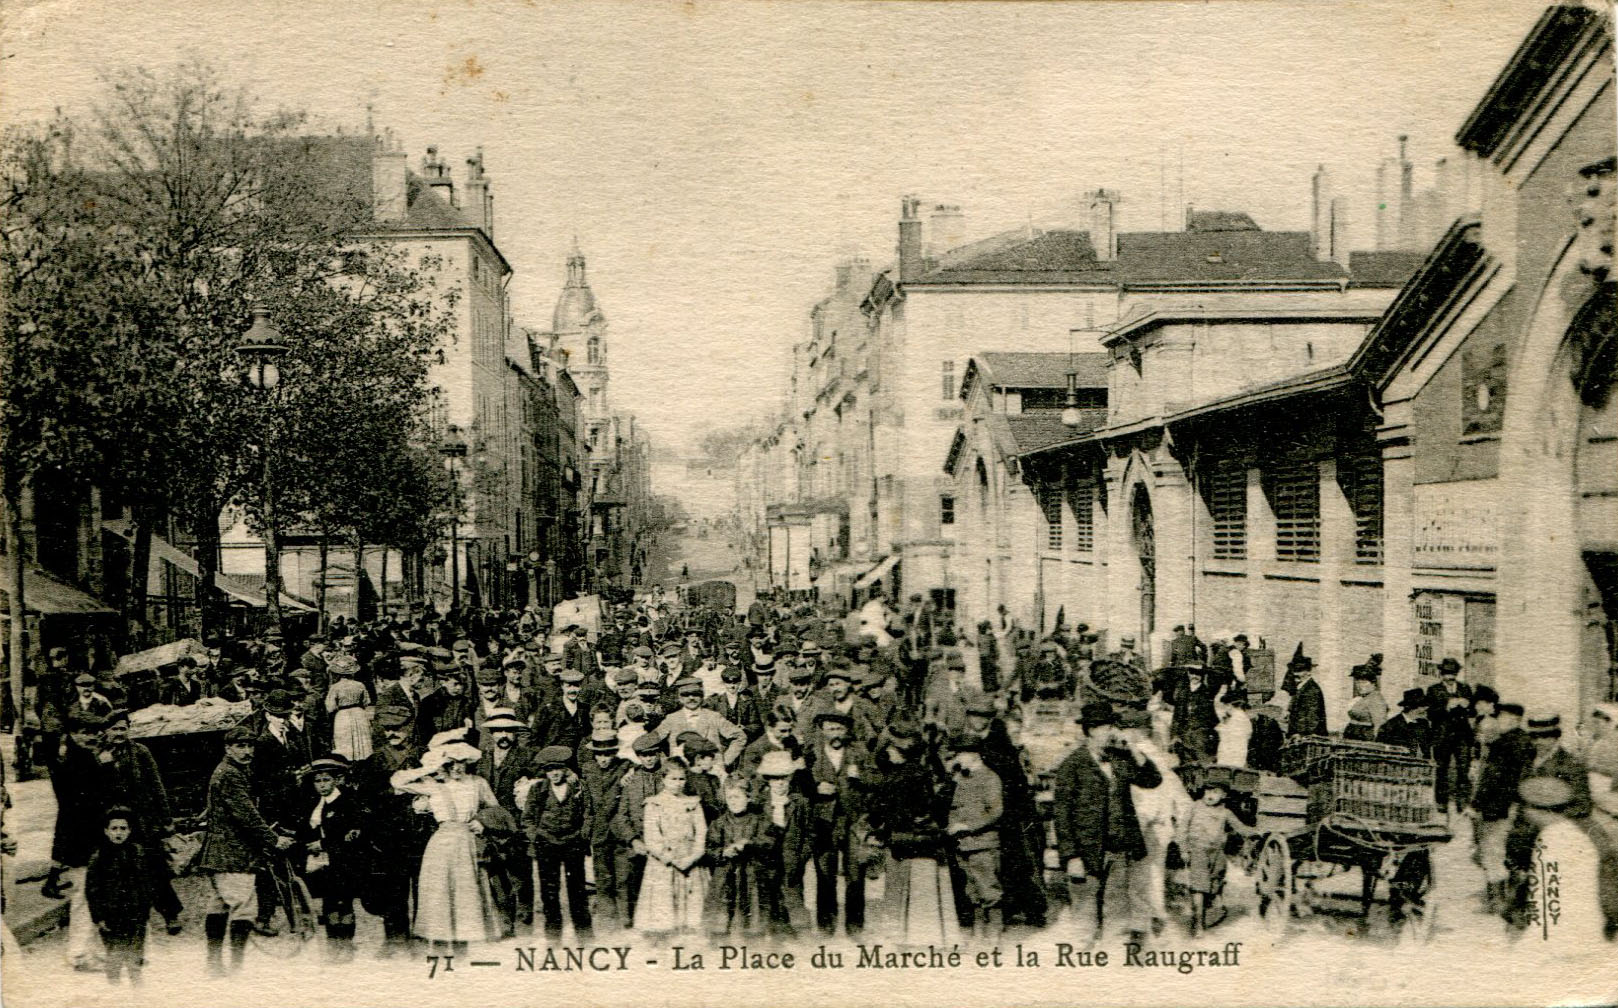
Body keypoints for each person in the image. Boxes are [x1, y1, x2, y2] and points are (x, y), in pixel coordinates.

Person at [1051, 701, 1163, 944]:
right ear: (1091, 730)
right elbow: (1061, 815)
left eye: (1113, 726)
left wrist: (1134, 749)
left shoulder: (1119, 759)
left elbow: (1153, 780)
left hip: (1118, 849)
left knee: (1116, 913)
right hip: (1086, 852)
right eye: (1105, 727)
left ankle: (1110, 964)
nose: (1112, 732)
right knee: (1085, 914)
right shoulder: (1071, 766)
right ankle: (1083, 960)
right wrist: (1071, 857)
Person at [196, 725, 296, 976]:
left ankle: (214, 964)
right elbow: (246, 815)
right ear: (228, 748)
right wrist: (274, 840)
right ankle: (235, 968)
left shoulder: (235, 771)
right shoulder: (229, 774)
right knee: (245, 907)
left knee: (219, 905)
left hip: (223, 852)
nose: (246, 751)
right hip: (233, 853)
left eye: (250, 745)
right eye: (240, 746)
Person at [389, 736, 502, 954]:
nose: (456, 768)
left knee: (465, 896)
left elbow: (496, 810)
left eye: (461, 762)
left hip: (467, 843)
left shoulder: (478, 783)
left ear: (468, 762)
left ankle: (462, 952)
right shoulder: (433, 785)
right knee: (440, 895)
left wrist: (482, 822)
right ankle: (439, 950)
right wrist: (428, 767)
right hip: (441, 845)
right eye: (451, 763)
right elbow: (397, 781)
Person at [97, 710, 183, 935]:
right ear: (106, 731)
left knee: (156, 868)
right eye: (115, 729)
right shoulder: (98, 755)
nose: (119, 733)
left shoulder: (140, 752)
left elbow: (157, 787)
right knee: (119, 871)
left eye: (123, 729)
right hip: (114, 825)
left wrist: (166, 821)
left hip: (144, 823)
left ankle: (170, 914)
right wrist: (104, 765)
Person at [1516, 776, 1608, 946]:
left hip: (1565, 938)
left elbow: (1547, 895)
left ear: (1535, 809)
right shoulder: (1572, 831)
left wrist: (1532, 939)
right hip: (1585, 930)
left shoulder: (1551, 839)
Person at [806, 710, 874, 937]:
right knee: (825, 875)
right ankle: (826, 926)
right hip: (823, 823)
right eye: (830, 729)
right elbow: (798, 788)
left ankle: (855, 927)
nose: (835, 734)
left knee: (856, 876)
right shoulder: (811, 756)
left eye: (840, 729)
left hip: (854, 822)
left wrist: (861, 777)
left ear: (847, 732)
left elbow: (877, 784)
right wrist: (815, 790)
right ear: (822, 731)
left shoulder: (860, 754)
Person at [475, 712, 541, 933]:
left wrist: (531, 783)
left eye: (509, 731)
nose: (504, 736)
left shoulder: (526, 757)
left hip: (515, 826)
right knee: (496, 876)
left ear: (516, 733)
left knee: (520, 875)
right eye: (499, 731)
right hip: (489, 827)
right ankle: (505, 921)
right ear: (492, 734)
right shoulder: (482, 759)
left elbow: (540, 784)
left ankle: (524, 921)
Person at [300, 754, 366, 962]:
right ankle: (332, 944)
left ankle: (346, 943)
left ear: (336, 780)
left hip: (344, 862)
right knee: (328, 903)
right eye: (317, 781)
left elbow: (352, 835)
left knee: (344, 902)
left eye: (326, 779)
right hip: (321, 862)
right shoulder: (314, 803)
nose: (321, 785)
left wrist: (323, 844)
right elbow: (305, 829)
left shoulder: (347, 802)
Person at [524, 745, 594, 941]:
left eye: (557, 768)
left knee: (577, 890)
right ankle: (553, 935)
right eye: (549, 769)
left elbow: (588, 813)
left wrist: (583, 835)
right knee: (549, 891)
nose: (554, 773)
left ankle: (584, 935)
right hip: (547, 844)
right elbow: (527, 819)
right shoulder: (538, 790)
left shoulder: (578, 787)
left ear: (565, 769)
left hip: (573, 843)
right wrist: (536, 836)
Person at [85, 807, 161, 985]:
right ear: (106, 831)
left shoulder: (138, 853)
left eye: (123, 828)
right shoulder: (99, 857)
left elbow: (146, 884)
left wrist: (145, 908)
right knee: (115, 956)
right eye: (114, 828)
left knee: (135, 956)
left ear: (130, 830)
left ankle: (138, 992)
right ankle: (115, 992)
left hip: (135, 914)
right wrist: (98, 916)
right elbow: (92, 890)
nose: (119, 833)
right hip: (111, 915)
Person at [633, 762, 708, 939]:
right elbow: (652, 837)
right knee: (663, 907)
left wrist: (693, 857)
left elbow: (702, 832)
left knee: (693, 913)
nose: (678, 783)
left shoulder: (693, 803)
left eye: (682, 778)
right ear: (664, 779)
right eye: (673, 779)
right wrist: (671, 858)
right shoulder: (654, 804)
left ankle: (688, 939)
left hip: (691, 860)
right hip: (664, 863)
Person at [945, 735, 1003, 945]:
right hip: (964, 844)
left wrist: (968, 826)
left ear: (974, 754)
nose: (958, 758)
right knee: (972, 891)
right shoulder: (961, 778)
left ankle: (994, 934)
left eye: (961, 754)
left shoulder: (990, 778)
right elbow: (954, 807)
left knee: (989, 889)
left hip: (983, 844)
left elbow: (996, 812)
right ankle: (979, 931)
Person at [1175, 782, 1255, 934]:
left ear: (1223, 796)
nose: (1211, 795)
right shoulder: (1194, 807)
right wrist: (1184, 849)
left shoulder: (1225, 812)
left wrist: (1255, 832)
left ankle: (1206, 908)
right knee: (1199, 885)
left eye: (1216, 792)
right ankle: (1198, 924)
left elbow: (1240, 828)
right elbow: (1182, 829)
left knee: (1215, 881)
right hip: (1198, 849)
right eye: (1208, 791)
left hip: (1217, 852)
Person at [704, 776, 770, 939]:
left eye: (738, 797)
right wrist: (723, 852)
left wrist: (749, 844)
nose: (733, 801)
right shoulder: (718, 823)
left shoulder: (759, 821)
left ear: (748, 797)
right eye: (730, 797)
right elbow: (709, 849)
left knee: (753, 920)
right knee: (721, 919)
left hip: (751, 876)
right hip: (724, 877)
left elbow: (769, 841)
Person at [755, 750, 813, 938]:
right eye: (774, 779)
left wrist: (801, 856)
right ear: (767, 780)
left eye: (783, 778)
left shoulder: (800, 803)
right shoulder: (759, 803)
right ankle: (771, 934)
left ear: (790, 778)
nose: (779, 783)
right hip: (766, 861)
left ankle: (794, 934)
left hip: (791, 860)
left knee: (793, 896)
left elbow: (809, 833)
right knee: (768, 898)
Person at [1426, 658, 1476, 811]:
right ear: (1441, 674)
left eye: (1453, 674)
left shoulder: (1465, 688)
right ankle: (1442, 803)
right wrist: (1446, 707)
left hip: (1462, 736)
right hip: (1442, 736)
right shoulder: (1433, 690)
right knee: (1441, 770)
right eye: (1447, 674)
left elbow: (1474, 711)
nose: (1450, 677)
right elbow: (1430, 714)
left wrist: (1467, 707)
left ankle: (1462, 802)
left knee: (1463, 769)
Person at [324, 654, 373, 762]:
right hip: (359, 713)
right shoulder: (360, 685)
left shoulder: (335, 687)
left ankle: (347, 762)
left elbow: (330, 707)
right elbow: (367, 701)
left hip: (343, 715)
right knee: (362, 741)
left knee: (345, 742)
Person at [1377, 689, 1432, 755]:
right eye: (1423, 706)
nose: (1426, 709)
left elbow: (1427, 749)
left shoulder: (1423, 724)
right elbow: (1381, 751)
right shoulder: (1390, 726)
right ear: (1412, 708)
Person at [1285, 657, 1327, 738]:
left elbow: (1312, 718)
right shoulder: (1301, 687)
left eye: (1299, 671)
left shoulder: (1312, 690)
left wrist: (1301, 734)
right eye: (1294, 670)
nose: (1295, 674)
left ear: (1309, 672)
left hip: (1308, 737)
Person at [1346, 664, 1388, 737]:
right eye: (1357, 682)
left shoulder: (1376, 699)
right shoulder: (1363, 697)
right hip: (1353, 735)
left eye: (1364, 682)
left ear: (1373, 683)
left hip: (1364, 737)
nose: (1359, 686)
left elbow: (1379, 725)